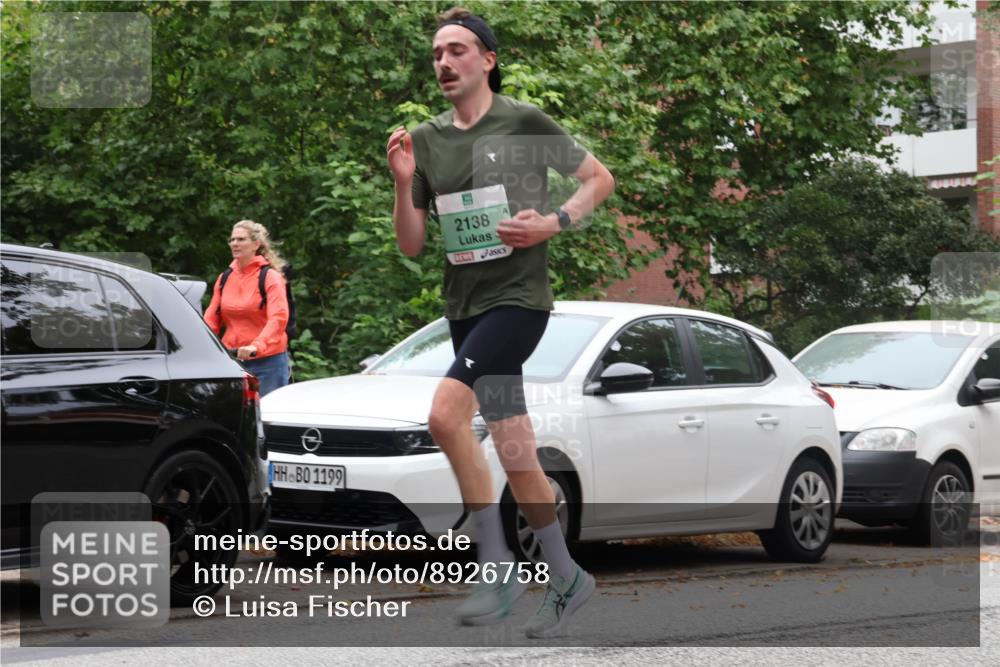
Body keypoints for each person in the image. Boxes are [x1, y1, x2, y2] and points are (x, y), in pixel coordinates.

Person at [385, 7, 615, 637]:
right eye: (436, 54)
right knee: (516, 451)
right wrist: (404, 185)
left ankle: (496, 564)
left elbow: (599, 179)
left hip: (517, 302)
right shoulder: (425, 141)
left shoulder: (523, 121)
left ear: (487, 59)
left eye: (457, 50)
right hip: (463, 306)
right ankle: (567, 575)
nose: (444, 63)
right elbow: (411, 245)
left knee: (443, 416)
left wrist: (553, 222)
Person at [204, 220, 291, 396]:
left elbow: (278, 318)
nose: (234, 243)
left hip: (268, 362)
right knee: (233, 416)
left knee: (267, 415)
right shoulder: (225, 278)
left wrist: (256, 346)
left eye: (241, 239)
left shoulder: (270, 277)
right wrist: (204, 344)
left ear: (256, 244)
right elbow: (211, 318)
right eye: (232, 239)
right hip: (233, 360)